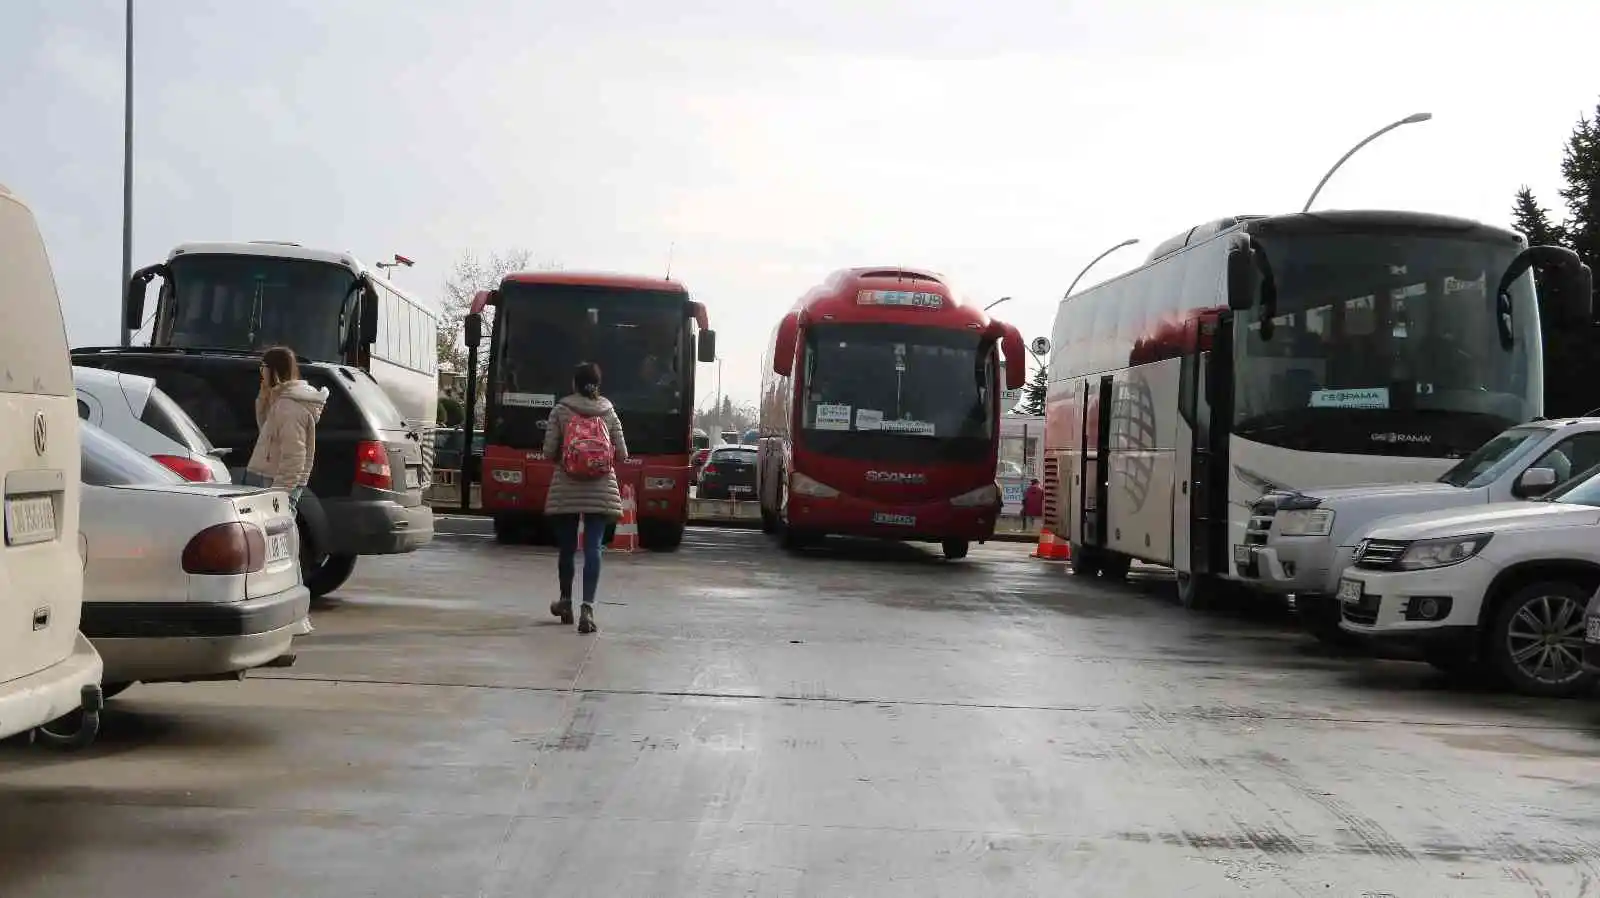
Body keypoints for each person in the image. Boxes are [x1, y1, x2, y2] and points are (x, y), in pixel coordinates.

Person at [542, 361, 629, 633]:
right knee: (593, 547)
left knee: (567, 548)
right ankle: (587, 610)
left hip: (567, 486)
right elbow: (623, 454)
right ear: (597, 385)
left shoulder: (561, 409)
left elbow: (548, 452)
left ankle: (565, 601)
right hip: (601, 487)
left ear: (574, 384)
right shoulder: (609, 411)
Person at [246, 346, 329, 511]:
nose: (261, 373)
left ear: (274, 370)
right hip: (276, 479)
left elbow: (294, 456)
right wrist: (264, 396)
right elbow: (266, 429)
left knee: (280, 532)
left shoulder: (289, 407)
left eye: (263, 368)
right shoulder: (282, 400)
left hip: (280, 482)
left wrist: (279, 492)